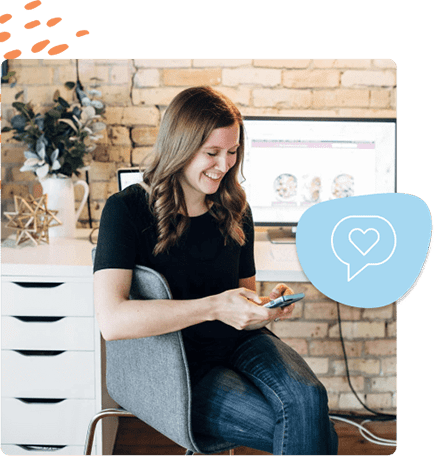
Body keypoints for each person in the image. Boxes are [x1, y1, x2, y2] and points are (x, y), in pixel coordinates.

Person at [93, 86, 338, 455]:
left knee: (309, 398)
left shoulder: (236, 209)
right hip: (179, 368)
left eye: (233, 152)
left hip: (237, 344)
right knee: (312, 430)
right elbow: (112, 320)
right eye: (212, 153)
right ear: (180, 146)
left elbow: (242, 301)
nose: (224, 165)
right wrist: (214, 307)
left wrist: (265, 307)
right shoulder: (127, 210)